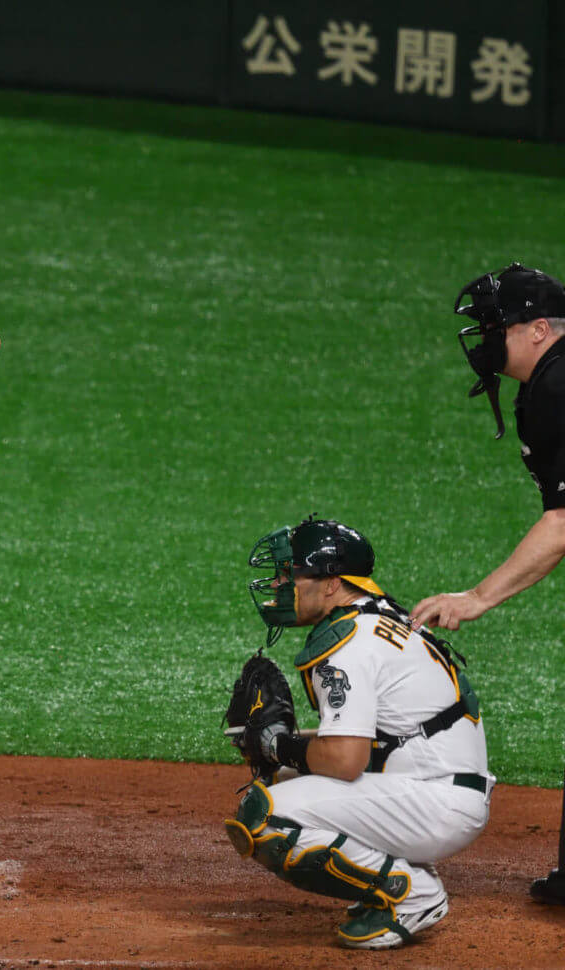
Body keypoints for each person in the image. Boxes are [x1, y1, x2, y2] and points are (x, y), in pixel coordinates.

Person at [227, 517, 492, 949]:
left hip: (436, 800)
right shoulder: (378, 616)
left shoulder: (349, 642)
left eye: (291, 574)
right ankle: (400, 871)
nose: (278, 584)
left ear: (331, 583)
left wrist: (277, 742)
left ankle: (411, 893)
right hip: (433, 784)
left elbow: (346, 760)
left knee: (266, 817)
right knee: (279, 780)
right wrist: (280, 749)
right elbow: (373, 739)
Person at [410, 262, 565, 906]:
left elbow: (562, 522)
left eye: (495, 326)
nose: (483, 339)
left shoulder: (561, 385)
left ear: (537, 330)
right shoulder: (547, 383)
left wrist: (476, 598)